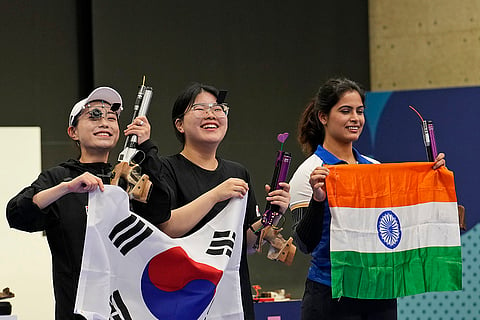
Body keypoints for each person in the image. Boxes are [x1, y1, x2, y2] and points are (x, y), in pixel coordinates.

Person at [123, 82, 291, 320]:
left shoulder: (237, 172)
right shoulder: (164, 169)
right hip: (185, 300)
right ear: (179, 124)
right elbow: (167, 228)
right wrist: (215, 195)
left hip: (231, 297)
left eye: (218, 108)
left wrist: (271, 216)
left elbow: (245, 246)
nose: (211, 114)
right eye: (200, 108)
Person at [5, 87, 170, 320]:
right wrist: (67, 187)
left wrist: (147, 147)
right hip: (76, 310)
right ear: (73, 131)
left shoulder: (126, 177)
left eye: (111, 118)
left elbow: (161, 212)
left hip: (129, 309)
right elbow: (17, 214)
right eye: (94, 116)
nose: (104, 122)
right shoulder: (58, 178)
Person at [288, 77, 446, 320]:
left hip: (378, 292)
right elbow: (304, 244)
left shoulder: (374, 167)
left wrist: (430, 181)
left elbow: (396, 225)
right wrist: (318, 200)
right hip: (331, 295)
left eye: (360, 111)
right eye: (345, 111)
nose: (355, 118)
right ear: (323, 117)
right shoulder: (309, 172)